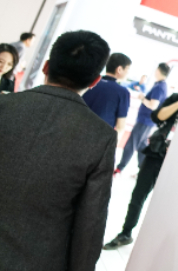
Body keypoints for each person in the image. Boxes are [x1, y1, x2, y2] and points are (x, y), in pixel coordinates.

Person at [0, 30, 114, 271]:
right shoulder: (100, 137)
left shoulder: (4, 106)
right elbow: (90, 224)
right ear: (95, 81)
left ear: (46, 66)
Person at [104, 72, 178, 250]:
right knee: (138, 195)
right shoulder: (177, 97)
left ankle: (157, 244)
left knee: (168, 203)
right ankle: (126, 233)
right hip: (157, 153)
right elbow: (157, 116)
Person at [114, 62, 170, 175]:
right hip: (146, 121)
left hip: (145, 121)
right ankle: (143, 171)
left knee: (131, 144)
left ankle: (119, 168)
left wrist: (142, 98)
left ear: (158, 71)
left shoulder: (159, 87)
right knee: (141, 146)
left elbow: (153, 105)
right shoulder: (159, 85)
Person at [83, 53, 132, 131]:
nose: (128, 72)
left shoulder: (89, 81)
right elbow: (120, 126)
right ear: (119, 69)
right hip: (98, 134)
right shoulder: (122, 92)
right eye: (128, 69)